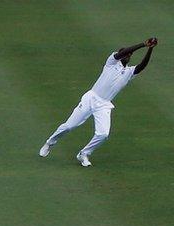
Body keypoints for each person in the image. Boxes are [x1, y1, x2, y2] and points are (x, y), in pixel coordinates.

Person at [39, 37, 158, 166]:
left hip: (104, 105)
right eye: (126, 53)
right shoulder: (112, 62)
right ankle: (49, 143)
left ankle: (83, 154)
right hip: (91, 98)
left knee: (103, 134)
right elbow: (122, 53)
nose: (127, 55)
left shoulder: (129, 72)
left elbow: (142, 66)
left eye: (129, 55)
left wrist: (150, 49)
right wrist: (142, 44)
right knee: (69, 126)